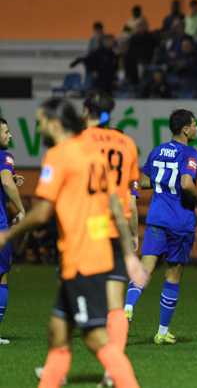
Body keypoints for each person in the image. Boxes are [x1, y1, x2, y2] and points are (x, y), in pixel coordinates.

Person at [0, 97, 146, 387]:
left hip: (82, 258)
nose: (39, 127)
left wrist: (7, 234)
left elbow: (42, 211)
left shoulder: (60, 155)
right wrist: (129, 254)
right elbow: (116, 204)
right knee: (57, 333)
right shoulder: (93, 153)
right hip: (94, 252)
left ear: (55, 123)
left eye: (41, 121)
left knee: (94, 338)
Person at [124, 109, 197, 345]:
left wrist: (136, 189)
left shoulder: (158, 150)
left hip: (157, 218)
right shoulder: (190, 153)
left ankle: (128, 306)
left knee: (145, 268)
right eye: (194, 124)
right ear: (185, 129)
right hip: (180, 221)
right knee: (173, 275)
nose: (196, 128)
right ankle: (161, 331)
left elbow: (145, 180)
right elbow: (186, 183)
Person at [78, 92, 140, 387]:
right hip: (117, 229)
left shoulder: (79, 142)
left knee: (73, 303)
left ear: (85, 109)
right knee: (116, 304)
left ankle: (56, 368)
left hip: (89, 229)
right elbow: (127, 193)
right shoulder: (127, 144)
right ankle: (111, 369)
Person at [0, 118, 26, 345]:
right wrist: (22, 209)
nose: (9, 136)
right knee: (2, 277)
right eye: (6, 132)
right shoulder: (4, 158)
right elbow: (7, 183)